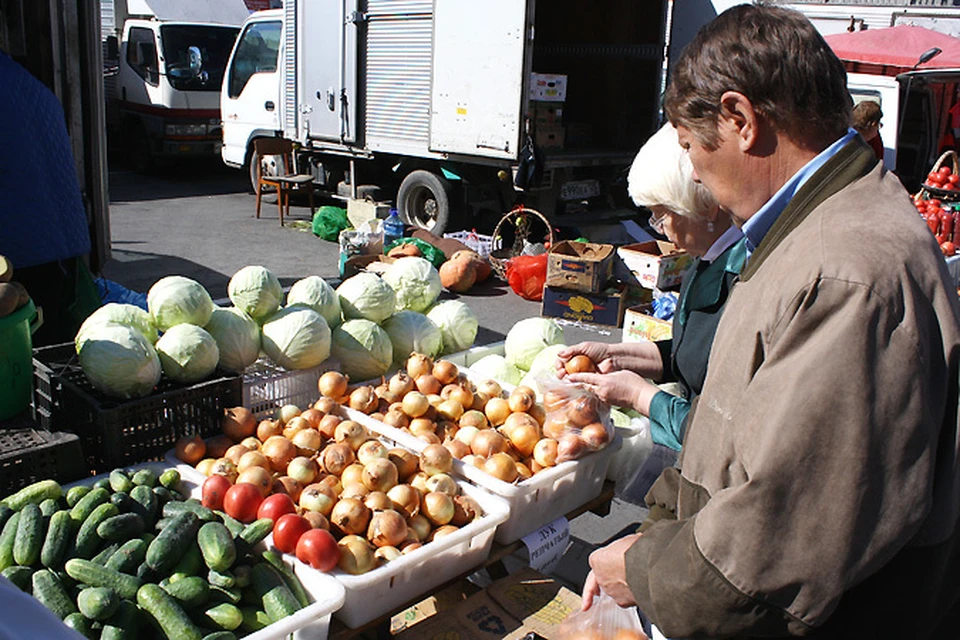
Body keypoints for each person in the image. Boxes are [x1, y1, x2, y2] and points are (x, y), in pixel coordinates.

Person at [580, 5, 960, 639]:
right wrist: (660, 528)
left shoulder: (845, 272)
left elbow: (778, 540)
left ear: (740, 120)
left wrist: (644, 569)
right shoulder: (806, 232)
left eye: (690, 147)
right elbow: (737, 424)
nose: (694, 172)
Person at [558, 123, 744, 461]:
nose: (658, 228)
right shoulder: (705, 260)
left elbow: (724, 430)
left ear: (705, 206)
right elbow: (690, 353)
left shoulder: (743, 278)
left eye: (661, 215)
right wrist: (616, 355)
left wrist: (639, 396)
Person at [0, 50, 99, 346]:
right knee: (58, 341)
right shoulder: (31, 87)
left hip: (21, 249)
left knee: (29, 344)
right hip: (63, 241)